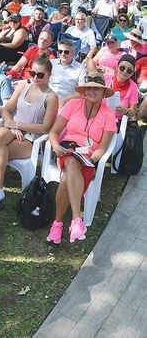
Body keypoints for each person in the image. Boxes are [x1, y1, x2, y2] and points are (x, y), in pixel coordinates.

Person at [46, 73, 117, 244]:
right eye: (89, 87)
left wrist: (90, 160)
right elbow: (54, 132)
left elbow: (102, 148)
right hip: (67, 151)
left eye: (97, 88)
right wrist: (56, 146)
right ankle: (77, 219)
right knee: (71, 162)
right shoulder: (73, 105)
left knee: (66, 179)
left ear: (103, 92)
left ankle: (57, 225)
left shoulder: (108, 115)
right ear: (84, 91)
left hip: (89, 158)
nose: (92, 91)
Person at [0, 57, 58, 213]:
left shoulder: (51, 97)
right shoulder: (23, 86)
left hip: (31, 139)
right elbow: (6, 110)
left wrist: (17, 125)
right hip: (13, 129)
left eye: (40, 75)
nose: (35, 78)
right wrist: (10, 123)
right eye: (32, 73)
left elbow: (45, 128)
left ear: (49, 75)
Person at [49, 38, 87, 107]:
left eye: (66, 52)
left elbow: (83, 92)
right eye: (60, 51)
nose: (63, 54)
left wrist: (66, 99)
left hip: (67, 102)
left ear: (73, 52)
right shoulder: (51, 63)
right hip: (48, 97)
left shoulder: (80, 69)